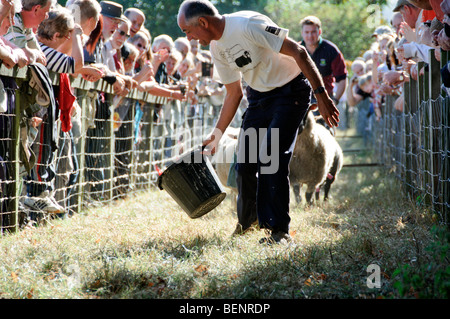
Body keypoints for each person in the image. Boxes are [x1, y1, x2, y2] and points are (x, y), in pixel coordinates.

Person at [177, 0, 339, 244]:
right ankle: (247, 223)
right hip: (259, 97)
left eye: (187, 31)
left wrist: (321, 95)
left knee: (271, 157)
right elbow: (234, 93)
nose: (189, 38)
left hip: (291, 92)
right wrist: (218, 133)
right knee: (244, 163)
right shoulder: (216, 49)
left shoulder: (248, 24)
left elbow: (299, 52)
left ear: (202, 22)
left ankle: (278, 230)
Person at [299, 16, 347, 105]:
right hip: (300, 101)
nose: (310, 36)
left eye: (313, 32)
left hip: (325, 99)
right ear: (302, 33)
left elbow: (342, 79)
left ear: (319, 32)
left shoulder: (331, 50)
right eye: (307, 32)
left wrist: (335, 100)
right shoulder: (296, 50)